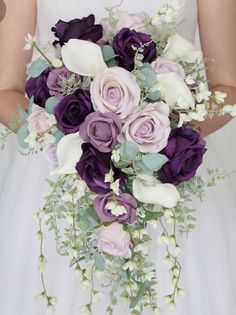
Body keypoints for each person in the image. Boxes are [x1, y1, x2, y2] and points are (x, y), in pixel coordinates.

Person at [0, 0, 235, 314]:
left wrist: (161, 135)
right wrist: (62, 138)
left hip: (170, 173)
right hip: (59, 176)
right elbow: (6, 90)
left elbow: (227, 87)